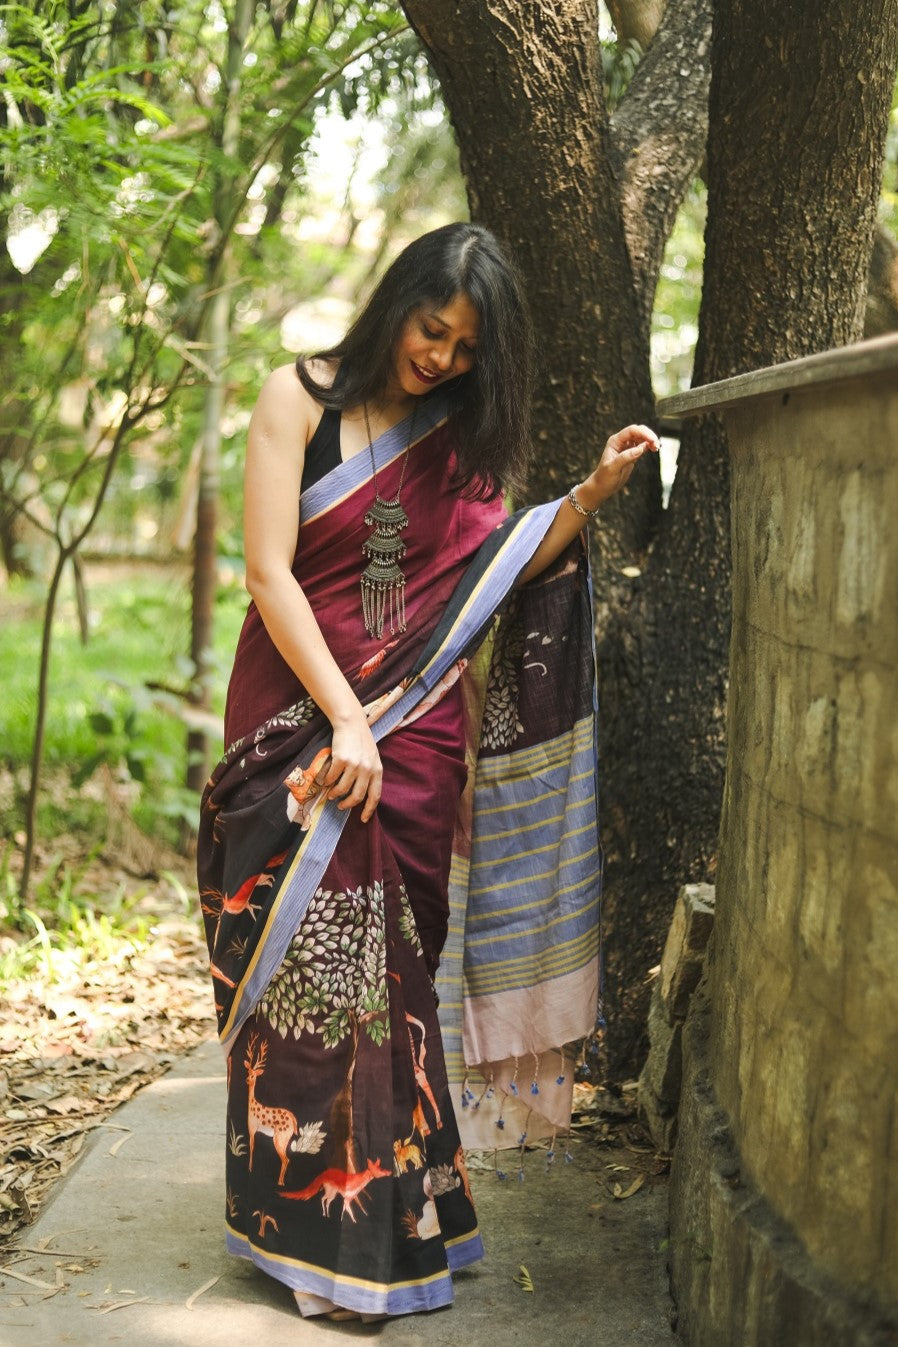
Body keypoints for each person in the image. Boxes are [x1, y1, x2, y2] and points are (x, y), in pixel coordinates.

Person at [197, 221, 659, 1322]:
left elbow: (490, 581)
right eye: (431, 327)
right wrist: (345, 721)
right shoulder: (294, 400)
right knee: (319, 988)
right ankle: (310, 1235)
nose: (442, 356)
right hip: (298, 736)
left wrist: (586, 497)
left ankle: (393, 1230)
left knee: (391, 997)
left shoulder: (458, 433)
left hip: (412, 751)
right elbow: (269, 570)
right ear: (395, 302)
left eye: (465, 345)